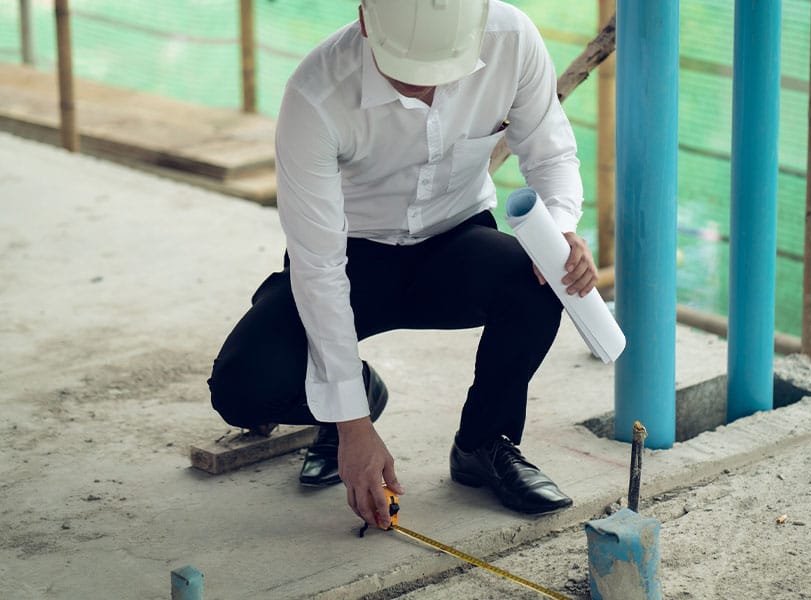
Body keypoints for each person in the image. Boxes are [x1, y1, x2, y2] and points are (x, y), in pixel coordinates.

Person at [208, 0, 597, 530]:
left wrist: (561, 227)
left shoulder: (511, 39)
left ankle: (484, 443)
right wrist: (352, 422)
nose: (426, 88)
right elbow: (319, 266)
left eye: (443, 70)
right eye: (408, 73)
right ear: (367, 21)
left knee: (535, 281)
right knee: (241, 387)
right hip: (350, 254)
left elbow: (549, 152)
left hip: (455, 238)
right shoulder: (316, 94)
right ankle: (351, 394)